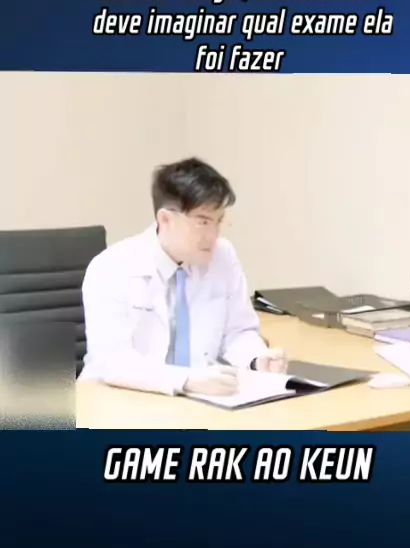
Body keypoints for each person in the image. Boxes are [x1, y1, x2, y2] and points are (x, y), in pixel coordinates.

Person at [80, 157, 287, 396]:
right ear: (166, 219)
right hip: (114, 399)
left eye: (219, 221)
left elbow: (238, 331)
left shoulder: (223, 256)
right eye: (203, 222)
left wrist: (256, 359)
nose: (214, 234)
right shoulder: (111, 267)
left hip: (197, 400)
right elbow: (113, 362)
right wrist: (185, 380)